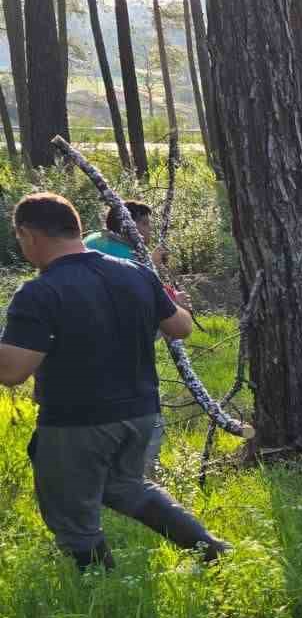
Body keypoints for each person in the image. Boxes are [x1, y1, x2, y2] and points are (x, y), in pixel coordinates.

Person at [0, 192, 229, 569]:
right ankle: (211, 549)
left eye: (21, 240)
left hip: (77, 422)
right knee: (126, 487)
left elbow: (12, 371)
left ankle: (100, 598)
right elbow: (180, 326)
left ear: (29, 235)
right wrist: (181, 303)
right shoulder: (136, 273)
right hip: (141, 413)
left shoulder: (40, 292)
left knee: (72, 517)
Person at [84, 199, 188, 475]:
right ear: (132, 224)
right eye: (145, 223)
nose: (149, 230)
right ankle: (143, 474)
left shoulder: (92, 241)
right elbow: (138, 293)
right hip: (123, 347)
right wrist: (176, 304)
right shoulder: (125, 257)